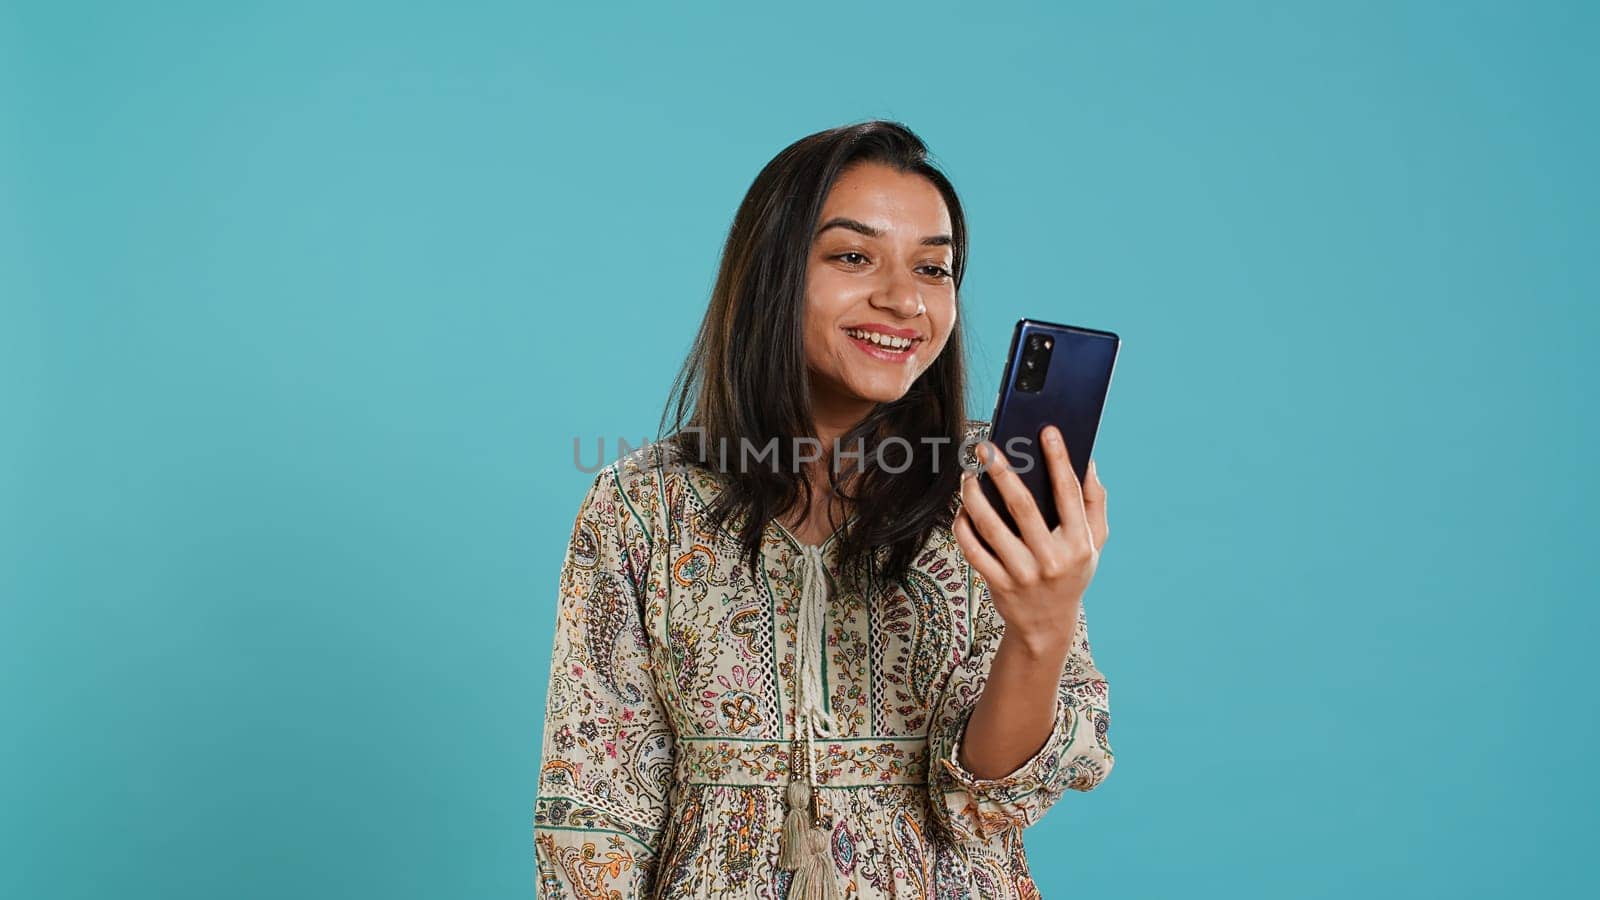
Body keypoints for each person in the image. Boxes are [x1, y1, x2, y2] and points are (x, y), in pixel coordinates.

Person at [533, 120, 1114, 899]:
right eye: (852, 256)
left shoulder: (988, 485)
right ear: (773, 272)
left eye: (934, 268)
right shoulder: (642, 507)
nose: (903, 299)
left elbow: (988, 803)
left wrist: (1041, 629)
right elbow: (594, 815)